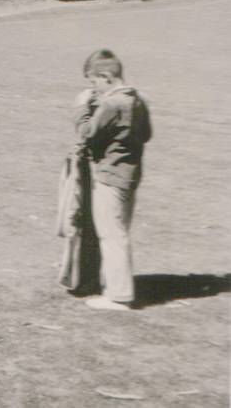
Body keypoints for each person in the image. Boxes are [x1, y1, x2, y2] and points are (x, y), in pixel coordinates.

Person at [74, 49, 152, 311]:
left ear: (106, 76)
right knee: (118, 230)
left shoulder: (111, 103)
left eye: (94, 82)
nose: (93, 88)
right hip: (130, 174)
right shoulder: (138, 99)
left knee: (111, 233)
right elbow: (147, 134)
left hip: (109, 175)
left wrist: (82, 107)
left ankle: (118, 295)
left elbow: (86, 133)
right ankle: (113, 285)